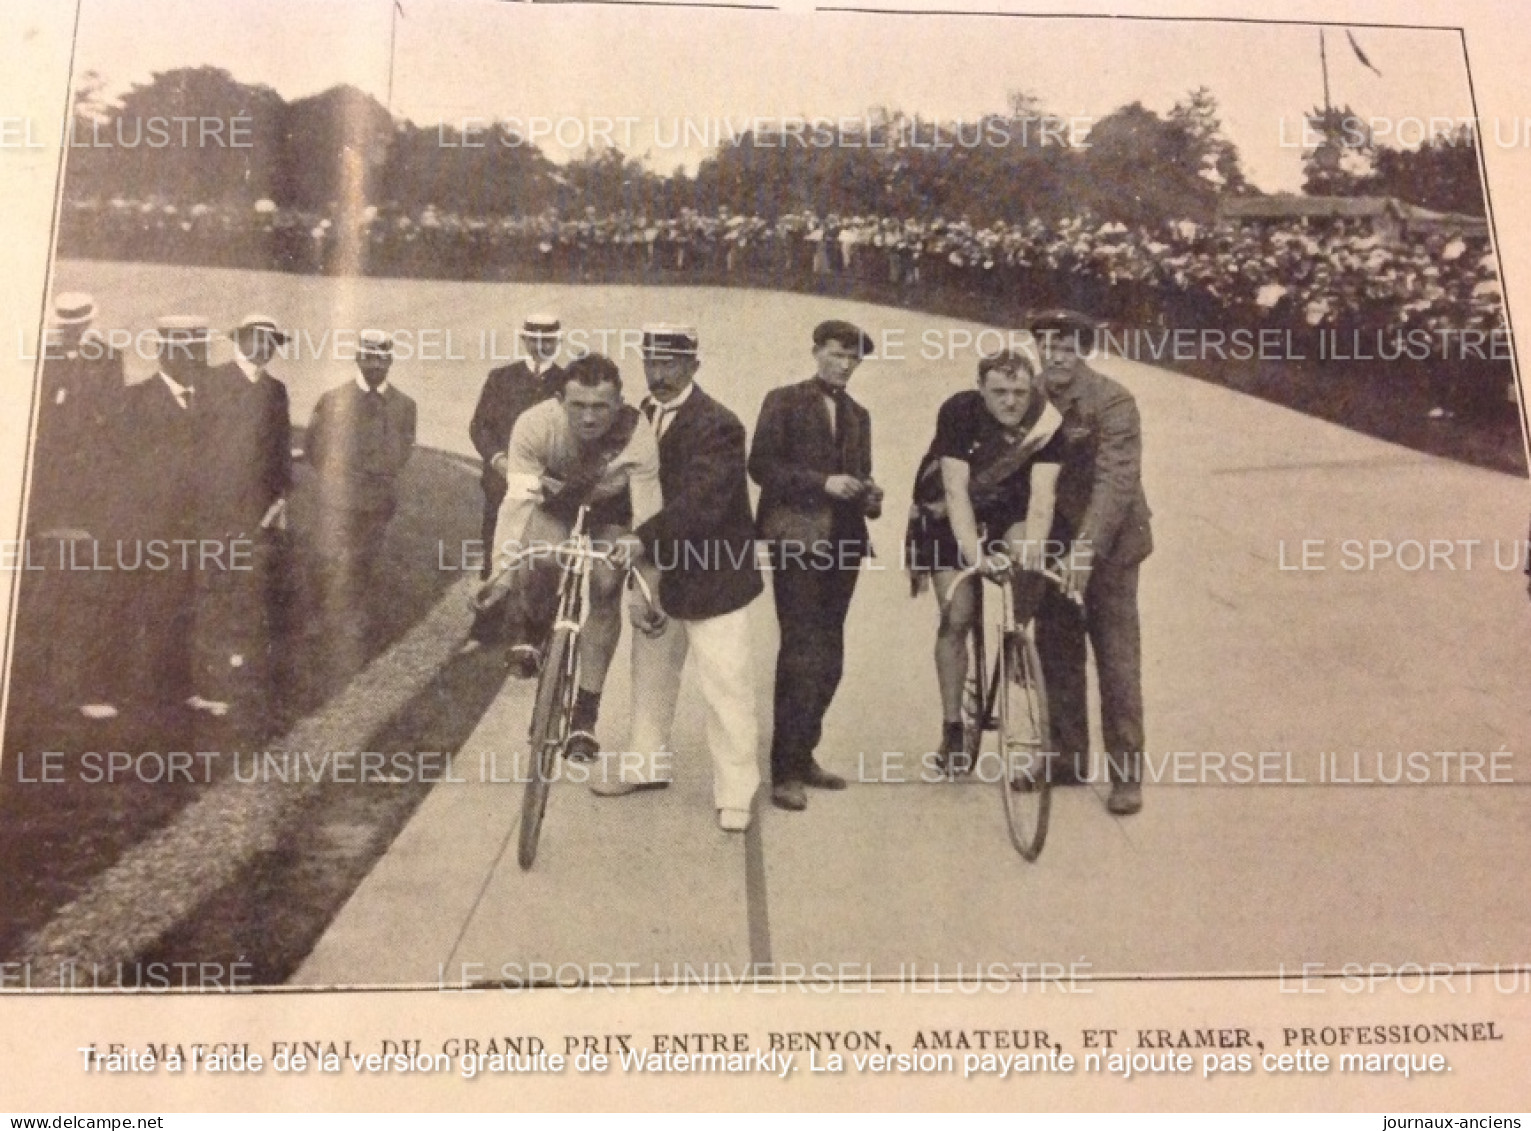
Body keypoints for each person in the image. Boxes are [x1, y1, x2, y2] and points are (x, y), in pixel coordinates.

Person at [589, 326, 764, 832]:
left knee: (726, 684)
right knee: (650, 676)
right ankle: (646, 767)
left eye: (671, 362)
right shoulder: (632, 419)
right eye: (652, 361)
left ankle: (735, 794)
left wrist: (642, 540)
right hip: (655, 571)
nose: (659, 373)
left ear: (694, 365)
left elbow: (702, 502)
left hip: (714, 575)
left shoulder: (720, 424)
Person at [478, 352, 660, 762]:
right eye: (578, 406)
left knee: (606, 583)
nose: (590, 418)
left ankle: (584, 716)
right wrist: (501, 577)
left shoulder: (637, 433)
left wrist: (646, 596)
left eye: (600, 407)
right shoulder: (534, 424)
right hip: (554, 502)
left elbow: (648, 519)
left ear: (619, 404)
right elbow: (516, 507)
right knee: (542, 557)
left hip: (613, 510)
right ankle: (534, 631)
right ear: (560, 401)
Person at [906, 347, 1064, 773]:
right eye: (999, 392)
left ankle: (1017, 644)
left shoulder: (1047, 421)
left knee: (1031, 553)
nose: (1010, 402)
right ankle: (953, 725)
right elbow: (956, 492)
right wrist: (975, 558)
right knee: (958, 615)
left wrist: (1031, 550)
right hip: (944, 509)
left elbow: (1043, 498)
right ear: (980, 390)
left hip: (1004, 509)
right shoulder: (959, 411)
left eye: (1019, 391)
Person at [749, 319, 882, 812]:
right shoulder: (783, 400)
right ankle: (784, 770)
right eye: (837, 353)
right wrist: (823, 483)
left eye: (853, 357)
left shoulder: (859, 414)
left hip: (845, 542)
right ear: (816, 352)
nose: (845, 364)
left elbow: (859, 476)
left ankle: (803, 753)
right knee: (802, 648)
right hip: (796, 539)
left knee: (832, 655)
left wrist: (869, 495)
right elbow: (761, 466)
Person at [1028, 310, 1153, 816]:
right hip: (1051, 543)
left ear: (1084, 349)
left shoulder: (1113, 400)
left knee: (1116, 658)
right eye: (1047, 344)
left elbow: (1115, 482)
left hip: (1111, 547)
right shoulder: (1031, 395)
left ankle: (1127, 776)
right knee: (1056, 650)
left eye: (1066, 345)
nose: (1055, 354)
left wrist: (1086, 549)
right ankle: (1066, 758)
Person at [24, 293, 125, 719]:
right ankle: (35, 678)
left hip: (90, 488)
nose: (72, 329)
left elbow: (114, 418)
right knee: (39, 583)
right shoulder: (40, 355)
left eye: (77, 323)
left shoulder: (107, 356)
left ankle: (65, 680)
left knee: (81, 582)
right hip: (48, 485)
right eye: (67, 324)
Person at [110, 315, 214, 723]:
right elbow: (121, 465)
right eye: (186, 351)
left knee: (183, 606)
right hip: (144, 524)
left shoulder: (209, 400)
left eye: (199, 350)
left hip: (190, 526)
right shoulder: (136, 399)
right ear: (164, 352)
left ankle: (178, 690)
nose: (195, 359)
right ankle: (115, 690)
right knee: (131, 604)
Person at [194, 314, 294, 732]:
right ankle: (204, 681)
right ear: (242, 340)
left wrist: (281, 499)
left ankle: (232, 673)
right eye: (259, 338)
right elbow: (196, 444)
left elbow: (280, 447)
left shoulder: (275, 390)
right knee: (209, 588)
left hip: (256, 510)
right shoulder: (213, 381)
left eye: (272, 340)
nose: (265, 346)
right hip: (212, 508)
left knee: (243, 588)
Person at [306, 330, 417, 679]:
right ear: (357, 358)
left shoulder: (404, 404)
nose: (375, 364)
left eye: (381, 358)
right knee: (327, 556)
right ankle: (322, 617)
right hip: (338, 497)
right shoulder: (333, 399)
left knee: (363, 559)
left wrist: (374, 476)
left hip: (377, 499)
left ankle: (351, 618)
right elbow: (314, 447)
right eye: (368, 357)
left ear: (390, 361)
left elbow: (402, 451)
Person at [463, 313, 565, 650]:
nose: (540, 347)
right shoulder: (501, 378)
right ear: (524, 340)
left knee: (543, 563)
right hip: (502, 485)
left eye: (547, 341)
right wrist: (499, 461)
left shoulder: (567, 384)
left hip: (548, 491)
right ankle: (484, 629)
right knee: (497, 553)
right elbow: (480, 426)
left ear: (557, 342)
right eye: (533, 340)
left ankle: (535, 638)